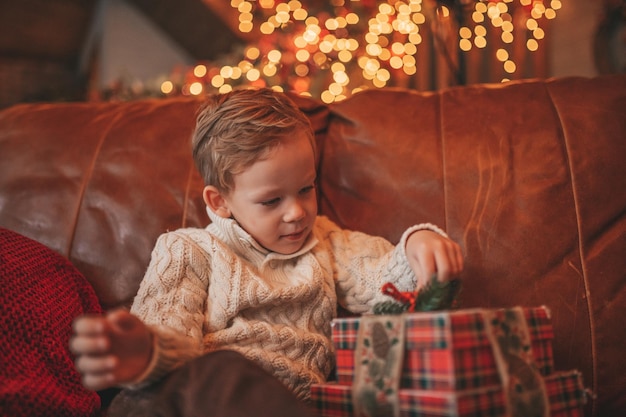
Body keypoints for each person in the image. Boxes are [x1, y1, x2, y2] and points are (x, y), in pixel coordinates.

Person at [70, 88, 464, 416]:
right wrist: (146, 351)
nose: (297, 212)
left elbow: (386, 279)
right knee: (222, 372)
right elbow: (167, 335)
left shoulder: (325, 242)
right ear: (220, 201)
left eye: (305, 189)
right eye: (271, 200)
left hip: (290, 405)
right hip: (187, 398)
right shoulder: (190, 249)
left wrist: (419, 243)